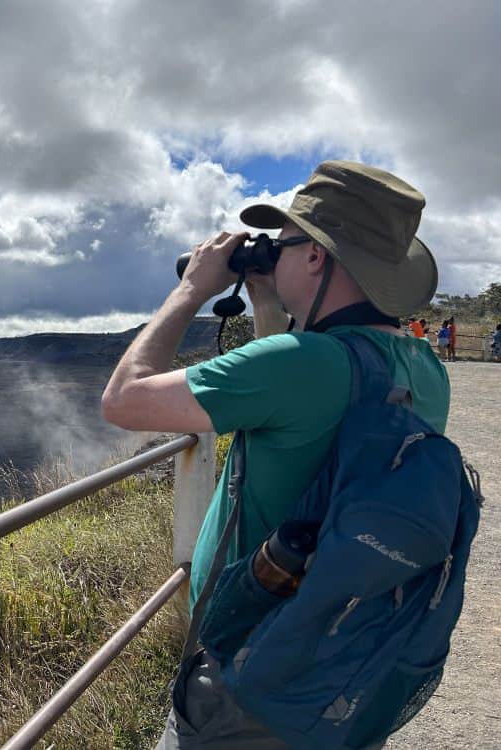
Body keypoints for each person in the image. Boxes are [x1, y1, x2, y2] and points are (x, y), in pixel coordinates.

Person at [102, 160, 449, 749]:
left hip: (254, 665)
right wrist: (268, 297)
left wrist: (192, 289)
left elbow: (124, 400)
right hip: (347, 651)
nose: (273, 255)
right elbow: (296, 412)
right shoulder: (425, 366)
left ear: (315, 256)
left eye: (283, 245)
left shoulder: (299, 364)